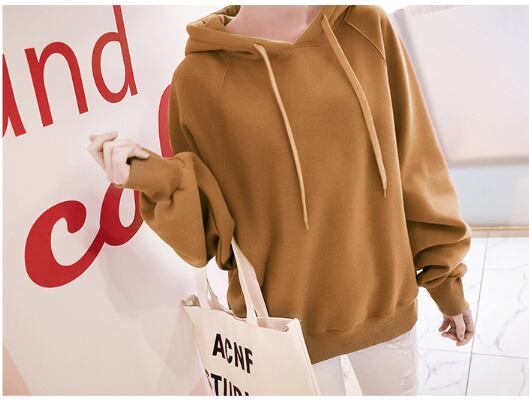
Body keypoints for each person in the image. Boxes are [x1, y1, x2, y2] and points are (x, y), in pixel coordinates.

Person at [87, 4, 475, 395]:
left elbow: (416, 163)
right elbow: (211, 235)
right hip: (284, 332)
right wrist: (155, 177)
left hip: (387, 307)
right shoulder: (199, 78)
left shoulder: (366, 26)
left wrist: (446, 281)